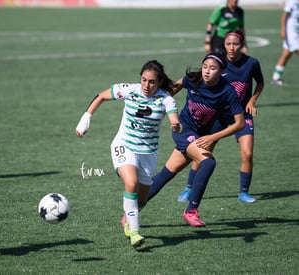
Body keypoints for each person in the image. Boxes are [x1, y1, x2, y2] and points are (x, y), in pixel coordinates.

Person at [75, 60, 181, 248]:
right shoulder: (129, 89)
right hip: (124, 146)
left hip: (148, 153)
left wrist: (176, 125)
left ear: (159, 82)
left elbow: (174, 118)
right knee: (130, 183)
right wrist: (86, 118)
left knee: (141, 199)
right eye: (144, 80)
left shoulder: (166, 99)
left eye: (152, 82)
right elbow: (101, 96)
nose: (146, 85)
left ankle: (129, 216)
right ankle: (135, 232)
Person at [146, 52, 245, 227]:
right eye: (205, 66)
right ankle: (191, 211)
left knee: (165, 174)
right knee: (208, 163)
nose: (207, 71)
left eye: (213, 68)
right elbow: (169, 93)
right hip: (183, 130)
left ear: (222, 71)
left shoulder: (228, 91)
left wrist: (213, 137)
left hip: (200, 136)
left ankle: (132, 210)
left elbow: (239, 124)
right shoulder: (192, 78)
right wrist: (157, 110)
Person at [177, 30, 264, 204]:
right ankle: (189, 188)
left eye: (236, 44)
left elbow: (260, 82)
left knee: (247, 153)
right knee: (204, 151)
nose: (232, 47)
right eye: (228, 44)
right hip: (218, 117)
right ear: (224, 44)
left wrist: (252, 100)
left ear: (242, 44)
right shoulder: (218, 63)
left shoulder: (252, 63)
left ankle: (243, 192)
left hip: (242, 114)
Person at [271, 0, 299, 86]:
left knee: (286, 54)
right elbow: (284, 16)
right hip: (291, 33)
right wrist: (283, 30)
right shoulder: (292, 2)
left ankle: (276, 77)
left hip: (296, 32)